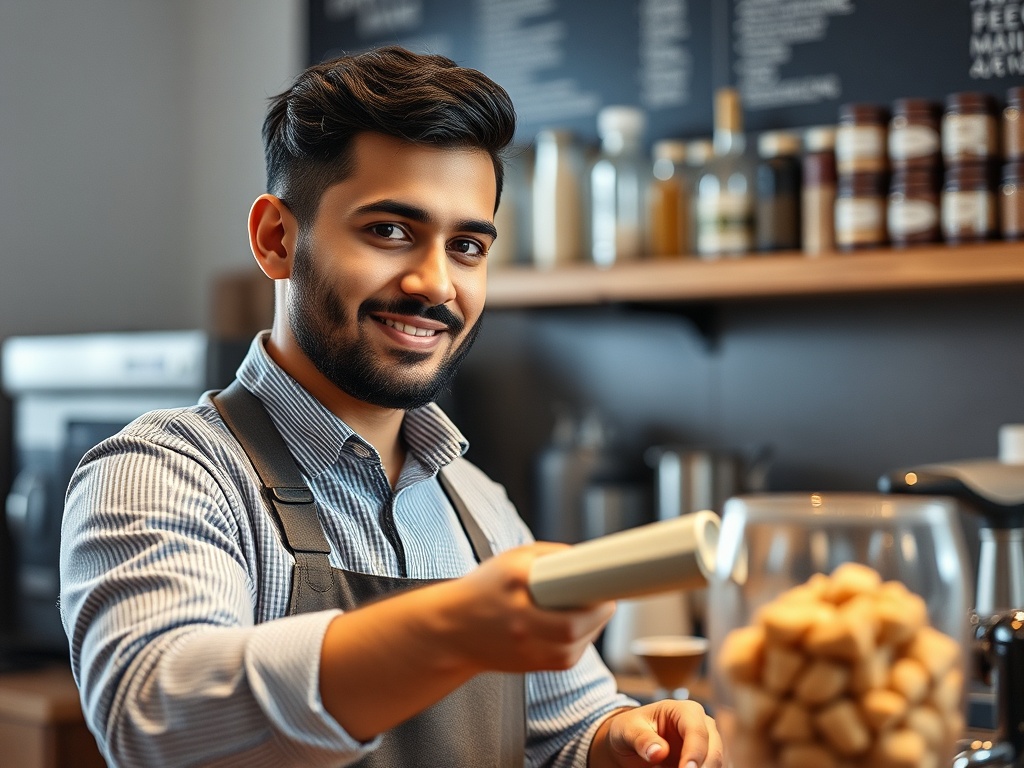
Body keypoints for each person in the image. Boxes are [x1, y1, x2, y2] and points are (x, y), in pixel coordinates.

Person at [60, 45, 723, 768]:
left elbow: (564, 729)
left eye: (467, 245)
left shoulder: (478, 505)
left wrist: (619, 739)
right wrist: (452, 630)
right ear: (276, 238)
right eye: (390, 232)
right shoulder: (161, 473)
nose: (435, 284)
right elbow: (156, 716)